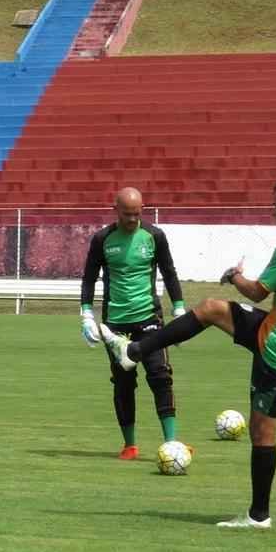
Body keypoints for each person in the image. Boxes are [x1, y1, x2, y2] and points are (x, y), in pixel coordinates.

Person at [103, 177, 276, 529]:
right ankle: (134, 350)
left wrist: (234, 276)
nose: (272, 211)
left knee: (262, 433)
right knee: (212, 309)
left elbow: (258, 292)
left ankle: (259, 516)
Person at [80, 187, 185, 460]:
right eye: (127, 214)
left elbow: (169, 271)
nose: (132, 220)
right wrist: (86, 314)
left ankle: (172, 442)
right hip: (115, 323)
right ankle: (130, 445)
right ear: (115, 209)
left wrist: (179, 307)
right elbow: (89, 277)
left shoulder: (154, 236)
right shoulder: (102, 239)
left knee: (161, 375)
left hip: (149, 318)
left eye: (137, 214)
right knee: (124, 384)